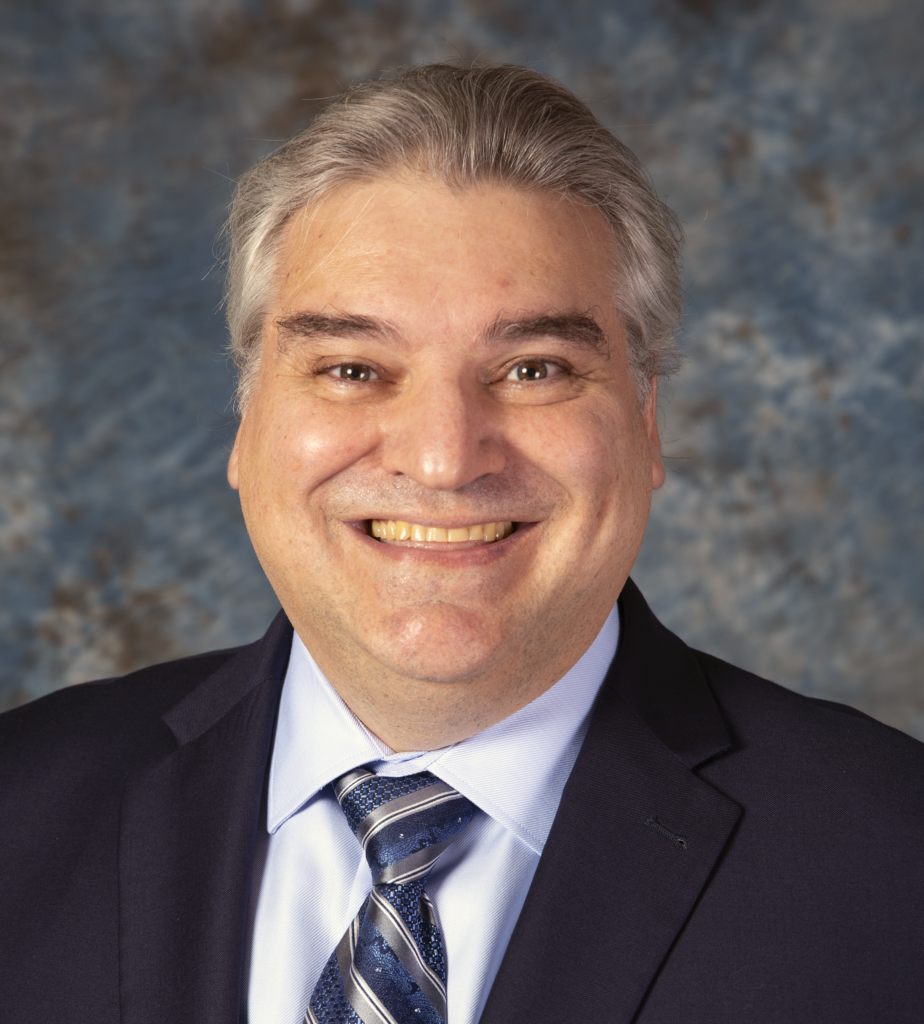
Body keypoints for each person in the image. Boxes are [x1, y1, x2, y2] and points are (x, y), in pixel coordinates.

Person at [1, 62, 922, 1024]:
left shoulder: (895, 869)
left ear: (646, 423)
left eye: (533, 368)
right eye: (353, 367)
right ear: (246, 420)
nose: (443, 459)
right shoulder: (19, 807)